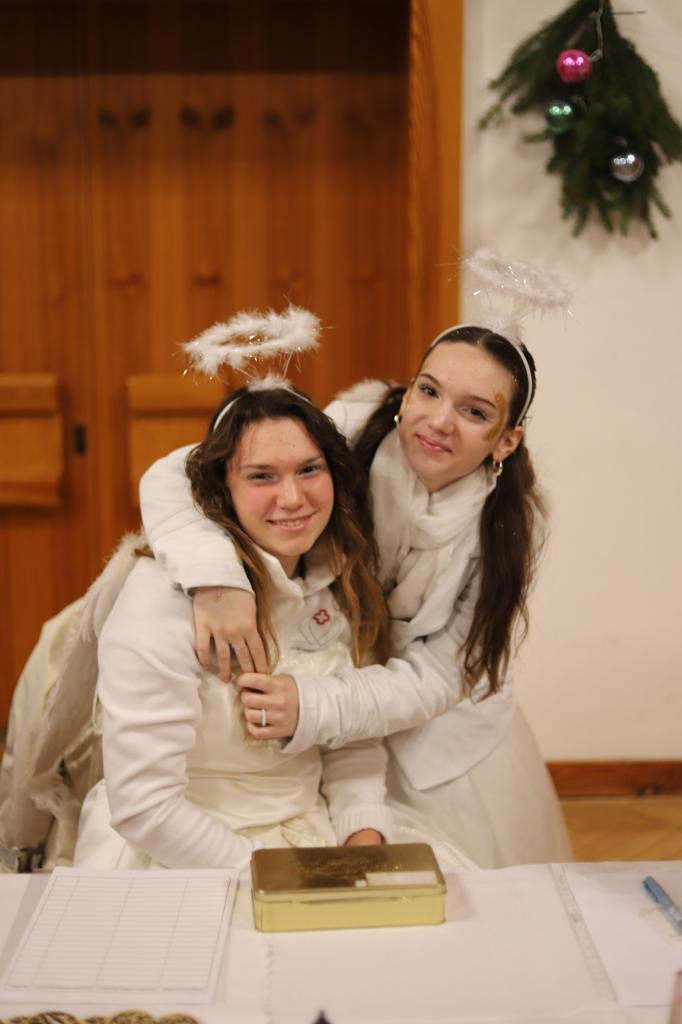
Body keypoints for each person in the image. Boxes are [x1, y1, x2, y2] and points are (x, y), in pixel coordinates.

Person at [139, 325, 573, 867]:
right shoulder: (349, 430)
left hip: (431, 723)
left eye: (474, 411)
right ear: (407, 393)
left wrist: (316, 705)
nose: (439, 421)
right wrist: (217, 580)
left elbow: (441, 676)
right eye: (429, 391)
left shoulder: (509, 526)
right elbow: (176, 476)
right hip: (323, 674)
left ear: (507, 440)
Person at [73, 384, 401, 869]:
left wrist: (362, 835)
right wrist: (273, 876)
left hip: (308, 829)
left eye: (309, 469)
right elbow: (145, 806)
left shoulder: (343, 581)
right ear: (221, 488)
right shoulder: (159, 599)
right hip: (182, 848)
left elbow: (351, 734)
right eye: (261, 476)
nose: (292, 498)